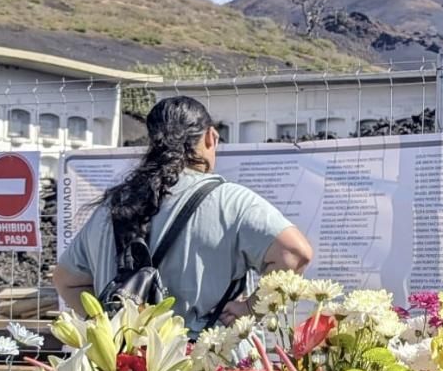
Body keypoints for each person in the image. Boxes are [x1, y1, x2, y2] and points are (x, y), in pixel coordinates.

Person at [54, 96, 314, 333]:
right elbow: (294, 253)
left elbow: (66, 281)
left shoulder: (112, 206)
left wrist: (106, 324)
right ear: (211, 137)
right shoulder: (231, 201)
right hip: (208, 367)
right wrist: (251, 308)